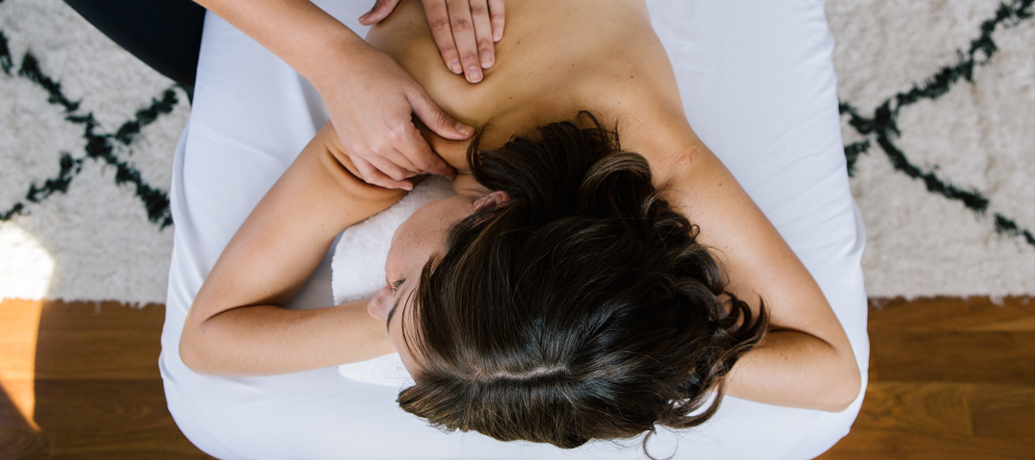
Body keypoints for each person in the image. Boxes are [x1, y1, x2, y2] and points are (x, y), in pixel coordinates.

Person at [176, 0, 861, 451]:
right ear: (486, 210)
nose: (373, 301)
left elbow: (830, 378)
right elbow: (209, 342)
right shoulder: (418, 122)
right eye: (398, 289)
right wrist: (335, 58)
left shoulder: (653, 165)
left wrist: (620, 348)